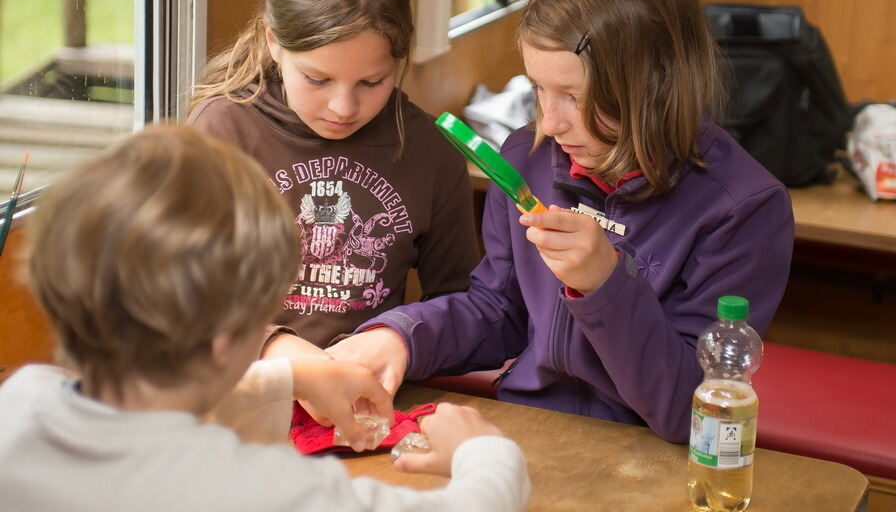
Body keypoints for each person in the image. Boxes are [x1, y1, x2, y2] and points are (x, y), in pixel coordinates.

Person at [328, 0, 795, 443]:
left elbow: (690, 413)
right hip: (529, 432)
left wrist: (605, 286)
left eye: (574, 96)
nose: (550, 123)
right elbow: (498, 310)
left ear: (655, 85)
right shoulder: (526, 159)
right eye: (538, 88)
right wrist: (402, 337)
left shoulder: (744, 210)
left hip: (654, 459)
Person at [0, 126, 529, 512]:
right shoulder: (252, 488)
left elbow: (139, 418)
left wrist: (293, 375)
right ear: (232, 337)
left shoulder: (19, 404)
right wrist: (487, 453)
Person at [187, 0, 480, 361]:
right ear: (273, 42)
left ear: (400, 59)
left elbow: (466, 306)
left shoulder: (429, 153)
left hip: (364, 399)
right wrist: (275, 348)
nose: (343, 107)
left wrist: (399, 337)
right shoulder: (221, 133)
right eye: (317, 79)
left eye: (372, 81)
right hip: (240, 394)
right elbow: (177, 292)